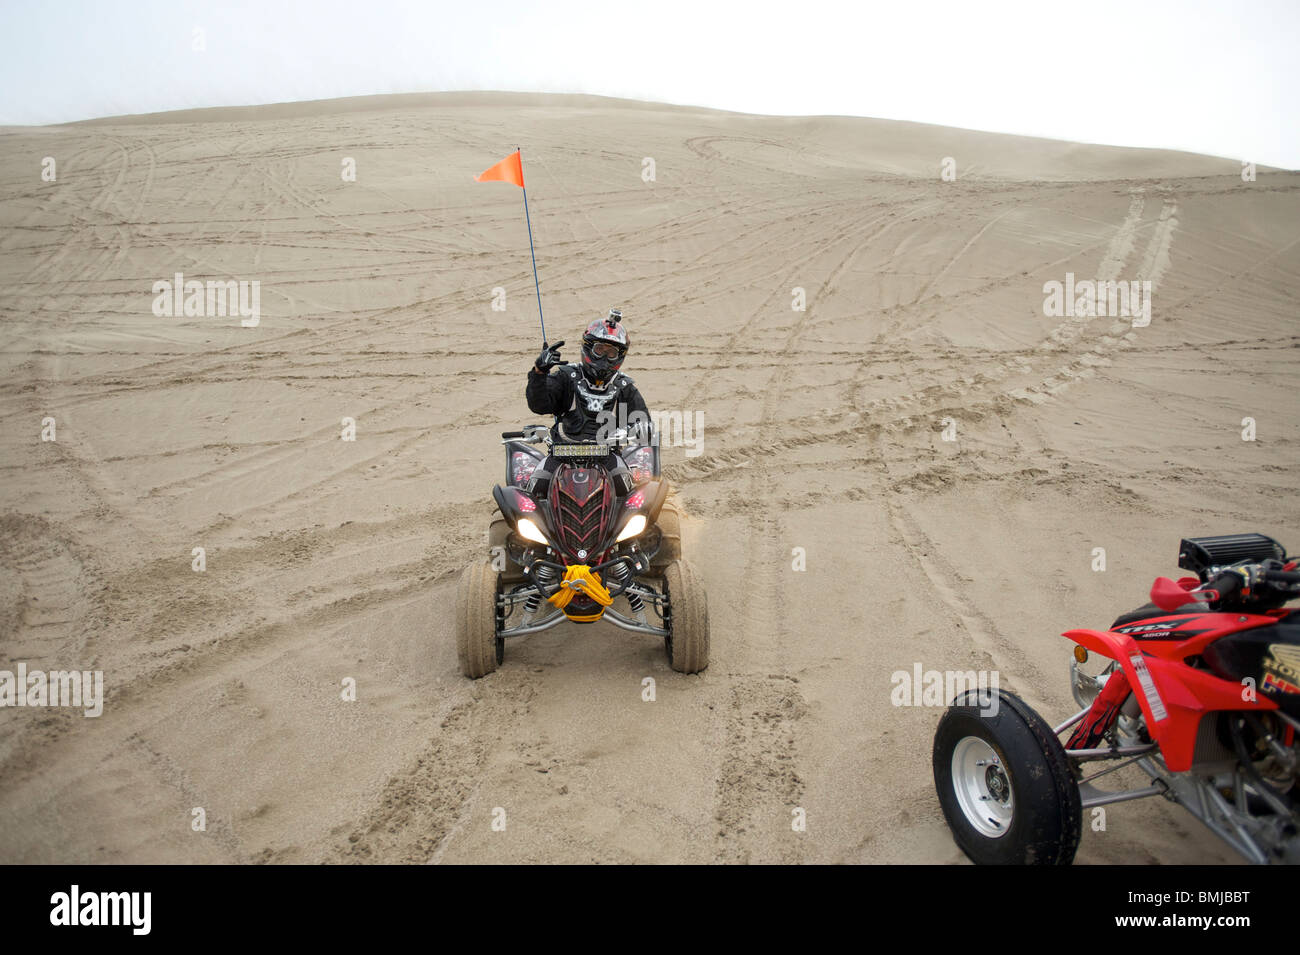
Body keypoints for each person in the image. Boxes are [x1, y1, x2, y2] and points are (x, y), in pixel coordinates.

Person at [526, 308, 651, 443]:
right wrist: (539, 372)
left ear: (619, 356)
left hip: (608, 457)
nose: (604, 356)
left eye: (611, 353)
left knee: (641, 463)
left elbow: (645, 426)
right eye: (599, 349)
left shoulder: (624, 387)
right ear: (588, 347)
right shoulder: (566, 377)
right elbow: (538, 405)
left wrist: (628, 432)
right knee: (532, 463)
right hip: (562, 455)